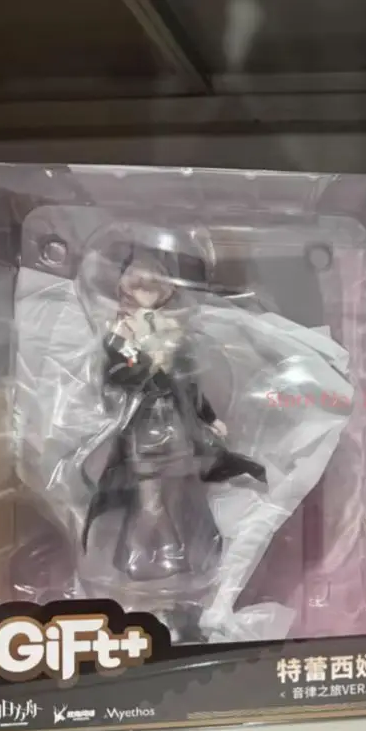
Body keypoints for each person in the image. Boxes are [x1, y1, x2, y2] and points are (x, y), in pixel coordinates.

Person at [81, 248, 266, 583]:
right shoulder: (121, 336)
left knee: (180, 491)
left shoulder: (174, 333)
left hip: (175, 426)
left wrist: (208, 417)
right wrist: (146, 367)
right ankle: (154, 554)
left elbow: (188, 385)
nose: (145, 285)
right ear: (124, 285)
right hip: (144, 429)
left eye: (154, 278)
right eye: (137, 278)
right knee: (149, 497)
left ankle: (182, 553)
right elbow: (115, 378)